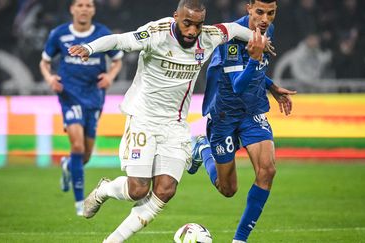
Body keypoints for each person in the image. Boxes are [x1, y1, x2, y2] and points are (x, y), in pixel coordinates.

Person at [68, 0, 274, 241]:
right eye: (187, 23)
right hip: (143, 120)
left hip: (175, 125)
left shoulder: (208, 36)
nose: (191, 31)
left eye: (198, 25)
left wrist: (260, 40)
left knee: (165, 190)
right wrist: (89, 48)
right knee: (138, 189)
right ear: (175, 16)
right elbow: (118, 40)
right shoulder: (156, 34)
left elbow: (234, 29)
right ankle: (104, 189)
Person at [188, 0, 296, 242]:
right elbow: (237, 84)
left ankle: (240, 239)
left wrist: (272, 87)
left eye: (271, 13)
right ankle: (202, 148)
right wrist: (256, 59)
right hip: (225, 115)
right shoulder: (231, 38)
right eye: (259, 12)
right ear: (248, 8)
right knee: (228, 189)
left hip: (252, 112)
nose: (265, 19)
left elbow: (256, 70)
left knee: (267, 171)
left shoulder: (267, 29)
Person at [39, 0, 123, 216]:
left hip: (94, 97)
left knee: (84, 156)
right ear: (72, 9)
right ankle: (79, 205)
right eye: (80, 5)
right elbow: (44, 62)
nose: (84, 8)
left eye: (88, 5)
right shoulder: (59, 34)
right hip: (69, 95)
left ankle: (69, 166)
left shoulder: (103, 33)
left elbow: (117, 61)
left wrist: (110, 76)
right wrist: (49, 79)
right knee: (77, 146)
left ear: (93, 10)